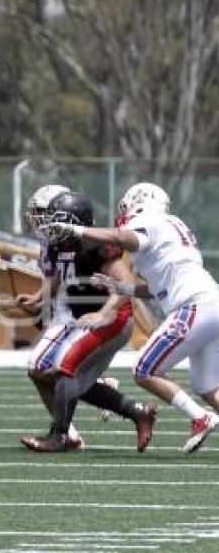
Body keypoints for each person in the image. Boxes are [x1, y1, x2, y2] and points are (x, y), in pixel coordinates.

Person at [45, 182, 219, 453]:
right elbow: (161, 288)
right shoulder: (172, 226)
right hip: (209, 301)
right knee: (208, 387)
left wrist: (76, 229)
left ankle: (200, 417)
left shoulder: (148, 221)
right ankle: (203, 412)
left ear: (139, 202)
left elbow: (119, 237)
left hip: (194, 305)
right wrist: (125, 288)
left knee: (144, 370)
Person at [16, 191, 157, 452]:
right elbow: (61, 274)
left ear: (75, 221)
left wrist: (104, 313)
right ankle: (138, 412)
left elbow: (125, 287)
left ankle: (59, 436)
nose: (51, 226)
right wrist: (38, 298)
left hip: (113, 320)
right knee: (55, 375)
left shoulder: (95, 245)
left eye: (57, 221)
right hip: (85, 317)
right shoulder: (60, 244)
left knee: (64, 365)